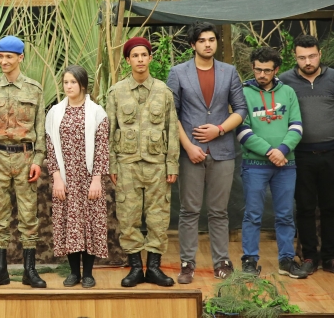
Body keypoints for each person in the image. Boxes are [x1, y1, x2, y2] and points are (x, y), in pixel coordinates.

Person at [167, 22, 247, 284]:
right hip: (191, 153)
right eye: (202, 40)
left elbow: (241, 110)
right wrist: (188, 147)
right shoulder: (178, 73)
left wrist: (220, 130)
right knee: (189, 211)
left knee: (219, 211)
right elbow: (172, 115)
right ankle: (187, 263)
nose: (208, 44)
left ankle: (222, 262)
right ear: (193, 45)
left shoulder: (229, 72)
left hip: (223, 151)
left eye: (212, 40)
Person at [107, 37, 179, 287]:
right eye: (134, 55)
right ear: (128, 60)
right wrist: (112, 165)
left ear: (150, 58)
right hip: (126, 166)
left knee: (158, 218)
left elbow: (171, 130)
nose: (139, 59)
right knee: (128, 217)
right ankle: (136, 268)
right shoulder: (116, 92)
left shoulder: (164, 92)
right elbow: (109, 131)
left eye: (143, 55)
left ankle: (155, 269)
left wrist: (172, 164)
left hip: (157, 165)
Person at [0, 35, 47, 289]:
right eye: (1, 56)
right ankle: (0, 271)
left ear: (20, 58)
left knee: (29, 215)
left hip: (26, 157)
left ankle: (30, 271)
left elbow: (40, 129)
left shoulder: (34, 90)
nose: (3, 61)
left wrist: (38, 158)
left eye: (8, 56)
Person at [237, 47, 305, 278]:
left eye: (267, 70)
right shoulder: (243, 92)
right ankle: (249, 260)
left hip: (286, 165)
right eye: (258, 70)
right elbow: (241, 129)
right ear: (253, 68)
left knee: (285, 214)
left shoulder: (288, 92)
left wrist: (283, 150)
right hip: (254, 165)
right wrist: (270, 152)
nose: (262, 74)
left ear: (276, 70)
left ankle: (286, 261)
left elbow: (296, 126)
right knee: (252, 215)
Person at [46, 65, 109, 289]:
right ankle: (73, 272)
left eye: (73, 82)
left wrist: (97, 180)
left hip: (88, 178)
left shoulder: (97, 113)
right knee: (68, 224)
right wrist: (57, 178)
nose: (69, 86)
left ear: (82, 84)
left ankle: (89, 273)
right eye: (66, 82)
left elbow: (102, 149)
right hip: (66, 177)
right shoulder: (54, 113)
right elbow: (51, 148)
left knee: (89, 224)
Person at [279, 34, 334, 276]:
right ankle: (310, 256)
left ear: (320, 54)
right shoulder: (285, 81)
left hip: (331, 152)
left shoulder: (332, 78)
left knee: (331, 207)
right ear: (295, 57)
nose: (308, 61)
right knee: (305, 208)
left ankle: (330, 257)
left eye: (312, 56)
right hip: (299, 154)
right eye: (302, 57)